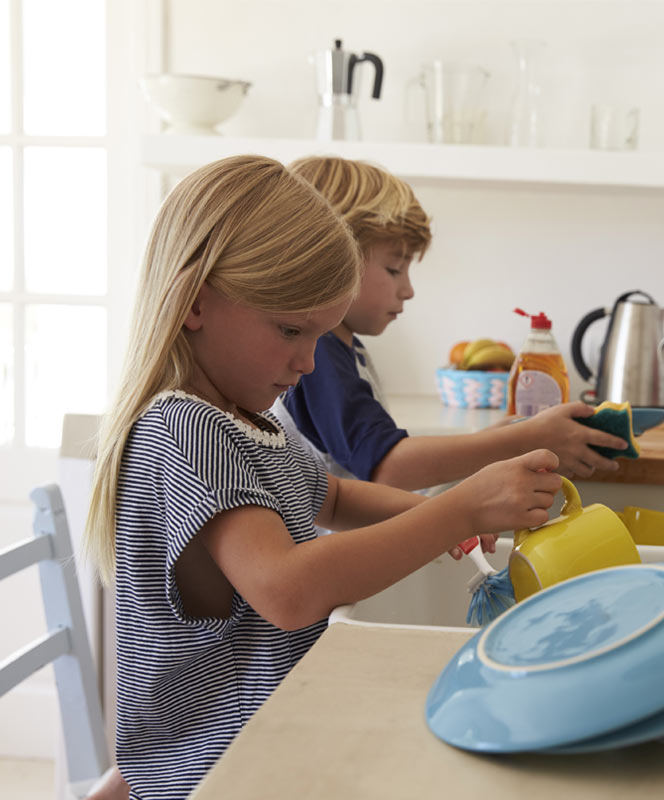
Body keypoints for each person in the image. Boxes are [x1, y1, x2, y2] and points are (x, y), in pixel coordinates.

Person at [82, 155, 561, 800]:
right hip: (219, 774)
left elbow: (329, 494)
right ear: (196, 304)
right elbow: (287, 591)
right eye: (290, 330)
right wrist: (457, 511)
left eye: (320, 334)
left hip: (264, 748)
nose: (308, 361)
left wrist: (424, 519)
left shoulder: (249, 421)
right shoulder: (186, 429)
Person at [275, 156, 627, 492]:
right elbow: (387, 465)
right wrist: (523, 439)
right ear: (332, 260)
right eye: (395, 269)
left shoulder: (344, 350)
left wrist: (496, 441)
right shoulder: (319, 354)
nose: (408, 290)